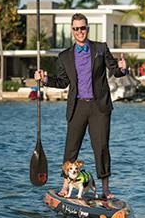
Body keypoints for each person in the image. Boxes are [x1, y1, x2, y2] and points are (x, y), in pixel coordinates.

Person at [35, 13, 127, 199]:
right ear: (72, 30)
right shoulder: (64, 56)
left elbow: (115, 70)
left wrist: (123, 68)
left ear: (87, 28)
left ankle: (105, 189)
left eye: (82, 28)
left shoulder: (100, 49)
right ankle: (65, 185)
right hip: (77, 107)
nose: (80, 32)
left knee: (101, 147)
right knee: (71, 148)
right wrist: (44, 79)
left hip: (99, 107)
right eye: (76, 28)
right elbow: (62, 82)